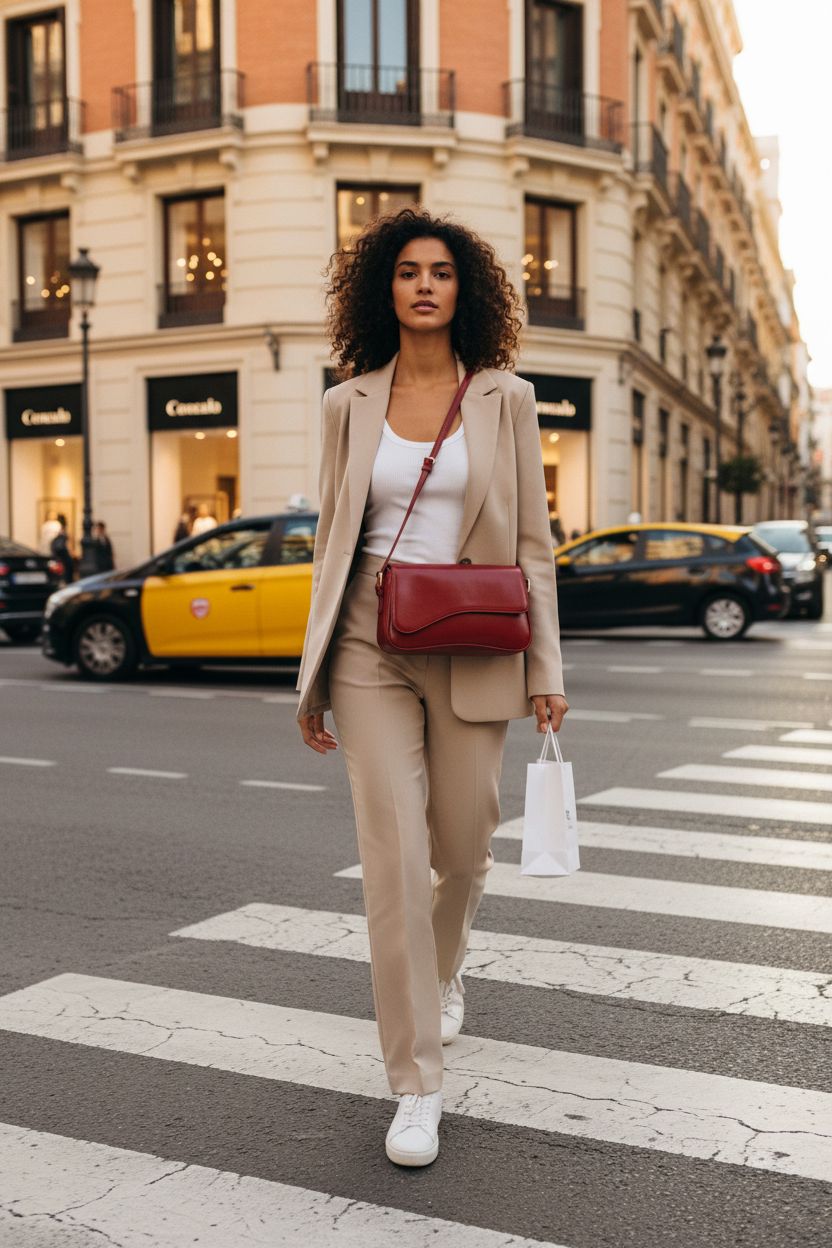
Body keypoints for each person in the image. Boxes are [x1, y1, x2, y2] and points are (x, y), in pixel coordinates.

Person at [296, 207, 568, 1168]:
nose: (424, 285)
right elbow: (330, 544)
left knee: (463, 845)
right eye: (408, 270)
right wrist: (313, 678)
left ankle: (446, 969)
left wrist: (548, 669)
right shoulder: (346, 403)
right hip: (368, 641)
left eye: (441, 272)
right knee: (395, 862)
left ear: (465, 290)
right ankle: (415, 1084)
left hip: (476, 636)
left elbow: (533, 541)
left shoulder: (506, 398)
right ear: (385, 288)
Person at [50, 514, 74, 583]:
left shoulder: (57, 534)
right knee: (67, 568)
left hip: (58, 554)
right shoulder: (61, 532)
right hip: (63, 553)